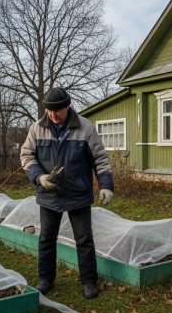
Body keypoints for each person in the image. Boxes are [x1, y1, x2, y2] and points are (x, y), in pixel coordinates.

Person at [20, 87, 114, 299]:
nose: (53, 115)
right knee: (46, 238)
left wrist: (106, 185)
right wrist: (39, 177)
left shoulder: (85, 128)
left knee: (84, 239)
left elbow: (100, 158)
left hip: (78, 194)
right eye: (49, 111)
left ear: (67, 106)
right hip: (48, 195)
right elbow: (26, 156)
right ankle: (46, 279)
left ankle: (89, 282)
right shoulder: (37, 129)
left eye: (57, 110)